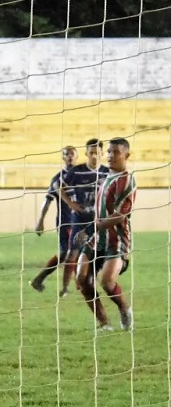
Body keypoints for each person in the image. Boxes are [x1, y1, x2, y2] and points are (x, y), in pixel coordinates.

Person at [75, 138, 135, 332]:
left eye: (115, 152)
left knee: (108, 283)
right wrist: (87, 230)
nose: (110, 155)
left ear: (126, 154)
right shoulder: (105, 179)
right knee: (81, 277)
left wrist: (95, 226)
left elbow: (120, 216)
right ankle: (104, 323)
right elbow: (99, 212)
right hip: (98, 238)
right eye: (108, 152)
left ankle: (125, 310)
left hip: (117, 240)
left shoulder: (126, 180)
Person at [30, 146, 78, 296]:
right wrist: (40, 220)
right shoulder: (58, 179)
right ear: (63, 158)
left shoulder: (83, 176)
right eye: (66, 155)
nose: (69, 157)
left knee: (73, 253)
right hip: (66, 222)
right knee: (69, 253)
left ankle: (68, 285)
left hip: (81, 222)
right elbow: (48, 200)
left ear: (77, 157)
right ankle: (64, 287)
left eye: (72, 154)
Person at [59, 139, 109, 276]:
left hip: (98, 220)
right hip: (80, 218)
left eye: (97, 153)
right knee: (72, 252)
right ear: (86, 153)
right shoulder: (77, 171)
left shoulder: (107, 172)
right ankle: (64, 288)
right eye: (91, 153)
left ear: (102, 154)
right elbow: (60, 188)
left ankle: (89, 281)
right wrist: (71, 204)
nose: (94, 156)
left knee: (97, 253)